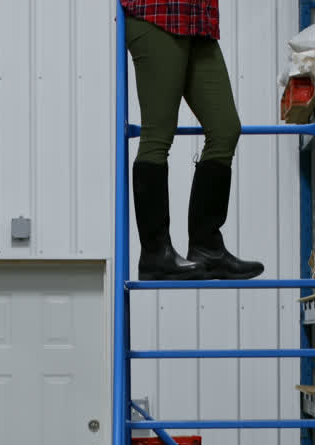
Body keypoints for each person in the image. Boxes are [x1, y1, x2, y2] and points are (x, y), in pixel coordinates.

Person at [122, 0, 264, 281]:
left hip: (198, 20)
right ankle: (155, 254)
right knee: (158, 133)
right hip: (158, 14)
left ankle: (207, 247)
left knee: (225, 129)